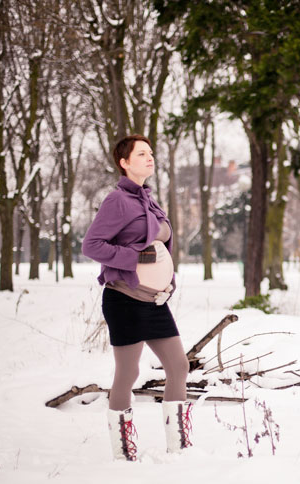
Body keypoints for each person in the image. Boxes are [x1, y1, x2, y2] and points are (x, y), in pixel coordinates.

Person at [82, 134, 192, 461]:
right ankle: (124, 452)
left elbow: (160, 250)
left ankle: (180, 448)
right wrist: (136, 260)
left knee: (178, 365)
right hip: (124, 299)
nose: (150, 157)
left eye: (151, 153)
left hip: (155, 301)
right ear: (124, 162)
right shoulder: (117, 200)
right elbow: (92, 245)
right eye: (141, 153)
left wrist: (166, 281)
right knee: (128, 374)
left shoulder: (150, 201)